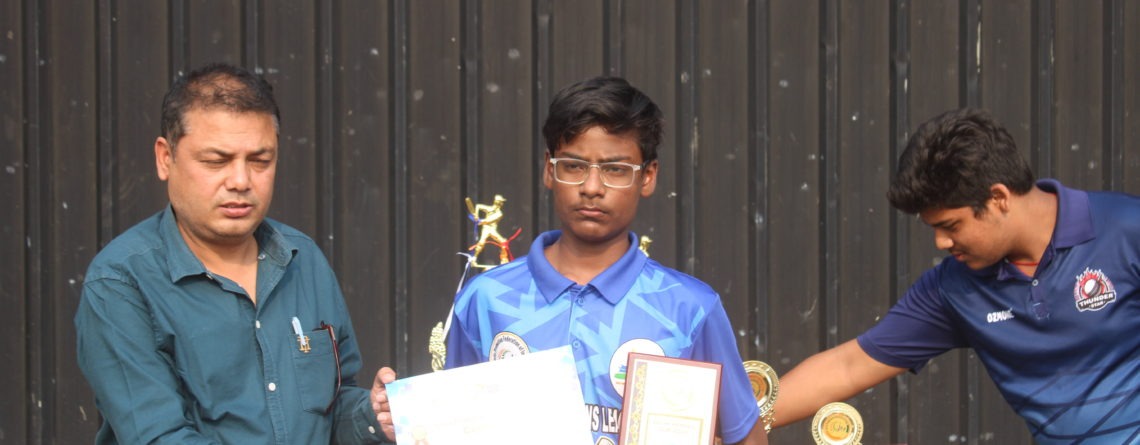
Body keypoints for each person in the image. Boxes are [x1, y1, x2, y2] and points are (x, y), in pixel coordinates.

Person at [771, 108, 1140, 443]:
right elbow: (848, 366)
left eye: (951, 225)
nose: (941, 241)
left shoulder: (1127, 229)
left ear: (998, 198)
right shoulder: (953, 288)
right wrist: (733, 426)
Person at [74, 62, 397, 444]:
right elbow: (159, 437)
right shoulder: (120, 283)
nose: (241, 181)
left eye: (260, 161)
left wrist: (374, 416)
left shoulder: (302, 259)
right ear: (165, 158)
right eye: (216, 161)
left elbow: (331, 408)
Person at [442, 76, 768, 445]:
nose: (592, 187)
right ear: (549, 169)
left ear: (647, 177)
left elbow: (747, 439)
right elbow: (452, 432)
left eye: (615, 169)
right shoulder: (485, 300)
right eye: (574, 165)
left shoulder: (689, 308)